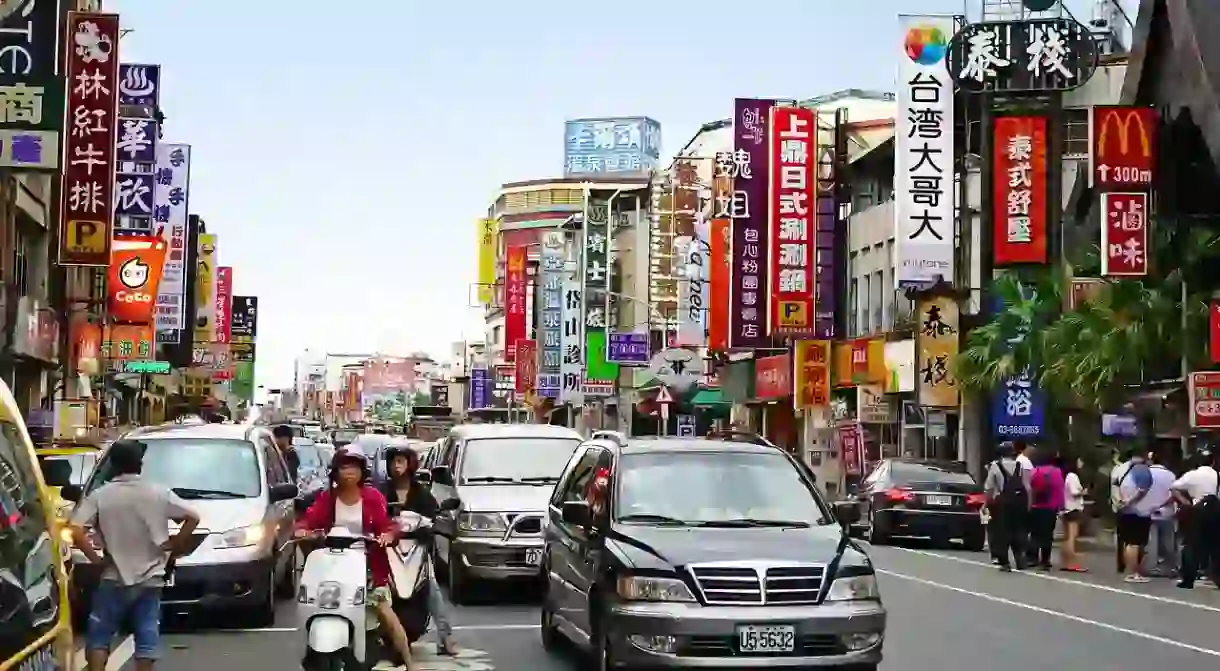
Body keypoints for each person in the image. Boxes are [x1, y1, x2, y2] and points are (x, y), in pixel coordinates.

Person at [69, 440, 202, 671]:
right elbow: (192, 517)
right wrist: (174, 545)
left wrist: (95, 559)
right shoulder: (158, 493)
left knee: (100, 633)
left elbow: (75, 529)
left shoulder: (100, 496)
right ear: (139, 464)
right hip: (151, 577)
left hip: (113, 576)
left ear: (113, 465)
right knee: (147, 629)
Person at [295, 447, 415, 669]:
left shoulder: (373, 497)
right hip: (332, 566)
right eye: (344, 466)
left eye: (354, 466)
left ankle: (409, 662)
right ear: (336, 471)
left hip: (368, 566)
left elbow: (387, 525)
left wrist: (388, 534)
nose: (349, 471)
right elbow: (310, 520)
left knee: (384, 610)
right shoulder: (327, 498)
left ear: (362, 471)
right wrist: (302, 529)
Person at [380, 444, 458, 655]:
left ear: (410, 464)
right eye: (392, 461)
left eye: (400, 461)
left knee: (432, 586)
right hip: (386, 550)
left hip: (416, 550)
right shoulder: (381, 491)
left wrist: (431, 530)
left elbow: (434, 516)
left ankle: (446, 637)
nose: (396, 466)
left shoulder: (421, 493)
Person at [1170, 448, 1220, 589]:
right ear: (1213, 462)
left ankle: (1188, 578)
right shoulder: (1217, 475)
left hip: (1198, 510)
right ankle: (1216, 576)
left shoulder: (1192, 475)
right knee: (1215, 545)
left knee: (1192, 545)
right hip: (1215, 510)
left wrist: (1184, 501)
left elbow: (1174, 487)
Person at [983, 441, 1032, 572]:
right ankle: (1020, 558)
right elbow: (1027, 486)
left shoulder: (995, 466)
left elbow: (989, 487)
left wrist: (986, 503)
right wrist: (1028, 504)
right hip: (1019, 503)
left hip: (1003, 504)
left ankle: (1005, 562)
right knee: (1019, 530)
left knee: (1002, 532)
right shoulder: (1019, 465)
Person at [1111, 448, 1155, 583]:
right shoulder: (1142, 469)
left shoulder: (1119, 468)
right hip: (1139, 511)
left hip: (1122, 510)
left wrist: (1119, 502)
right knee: (1136, 543)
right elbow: (1142, 490)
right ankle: (1134, 573)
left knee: (1128, 542)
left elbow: (1114, 486)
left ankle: (1129, 570)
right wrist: (1129, 502)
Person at [1027, 450, 1064, 570]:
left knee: (1034, 534)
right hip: (1050, 508)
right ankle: (1045, 560)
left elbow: (1029, 488)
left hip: (1035, 507)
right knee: (1047, 535)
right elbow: (1060, 490)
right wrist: (1060, 506)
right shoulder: (1056, 472)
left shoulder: (1034, 471)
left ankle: (1032, 558)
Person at [1146, 451, 1179, 577]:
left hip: (1148, 511)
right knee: (1168, 540)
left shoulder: (1146, 473)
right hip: (1166, 512)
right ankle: (1171, 567)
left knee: (1151, 540)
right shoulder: (1170, 475)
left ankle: (1152, 567)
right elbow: (1174, 494)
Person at [1059, 456, 1088, 572]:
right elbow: (1075, 492)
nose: (1081, 462)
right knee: (1072, 537)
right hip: (1074, 508)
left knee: (1067, 537)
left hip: (1067, 508)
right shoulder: (1073, 476)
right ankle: (1072, 563)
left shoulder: (1066, 476)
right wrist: (1084, 492)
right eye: (1079, 460)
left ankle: (1066, 562)